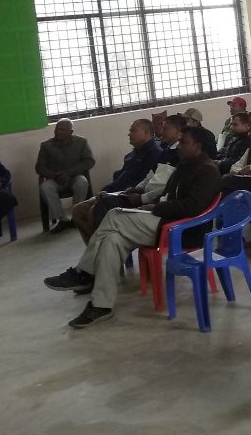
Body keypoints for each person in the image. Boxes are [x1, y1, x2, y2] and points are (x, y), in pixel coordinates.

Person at [43, 126, 221, 328]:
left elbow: (192, 207)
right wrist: (150, 202)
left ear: (198, 146)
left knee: (114, 215)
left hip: (181, 230)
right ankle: (101, 305)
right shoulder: (186, 165)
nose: (179, 146)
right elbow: (169, 196)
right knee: (112, 240)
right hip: (165, 221)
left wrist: (156, 207)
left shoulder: (207, 170)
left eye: (184, 142)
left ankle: (83, 272)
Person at [71, 118, 162, 244]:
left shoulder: (154, 153)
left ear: (146, 133)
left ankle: (100, 248)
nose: (129, 134)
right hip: (115, 193)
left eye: (133, 131)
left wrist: (112, 194)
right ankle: (95, 247)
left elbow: (143, 184)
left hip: (129, 197)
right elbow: (121, 178)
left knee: (93, 211)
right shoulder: (134, 153)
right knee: (78, 210)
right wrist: (105, 190)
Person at [36, 118, 96, 234]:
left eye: (62, 130)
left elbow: (89, 161)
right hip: (55, 179)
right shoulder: (46, 146)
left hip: (74, 177)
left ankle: (76, 216)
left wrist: (69, 173)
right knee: (45, 187)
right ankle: (62, 220)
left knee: (82, 182)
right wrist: (54, 175)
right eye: (56, 129)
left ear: (71, 132)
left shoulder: (81, 142)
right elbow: (40, 167)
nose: (58, 132)